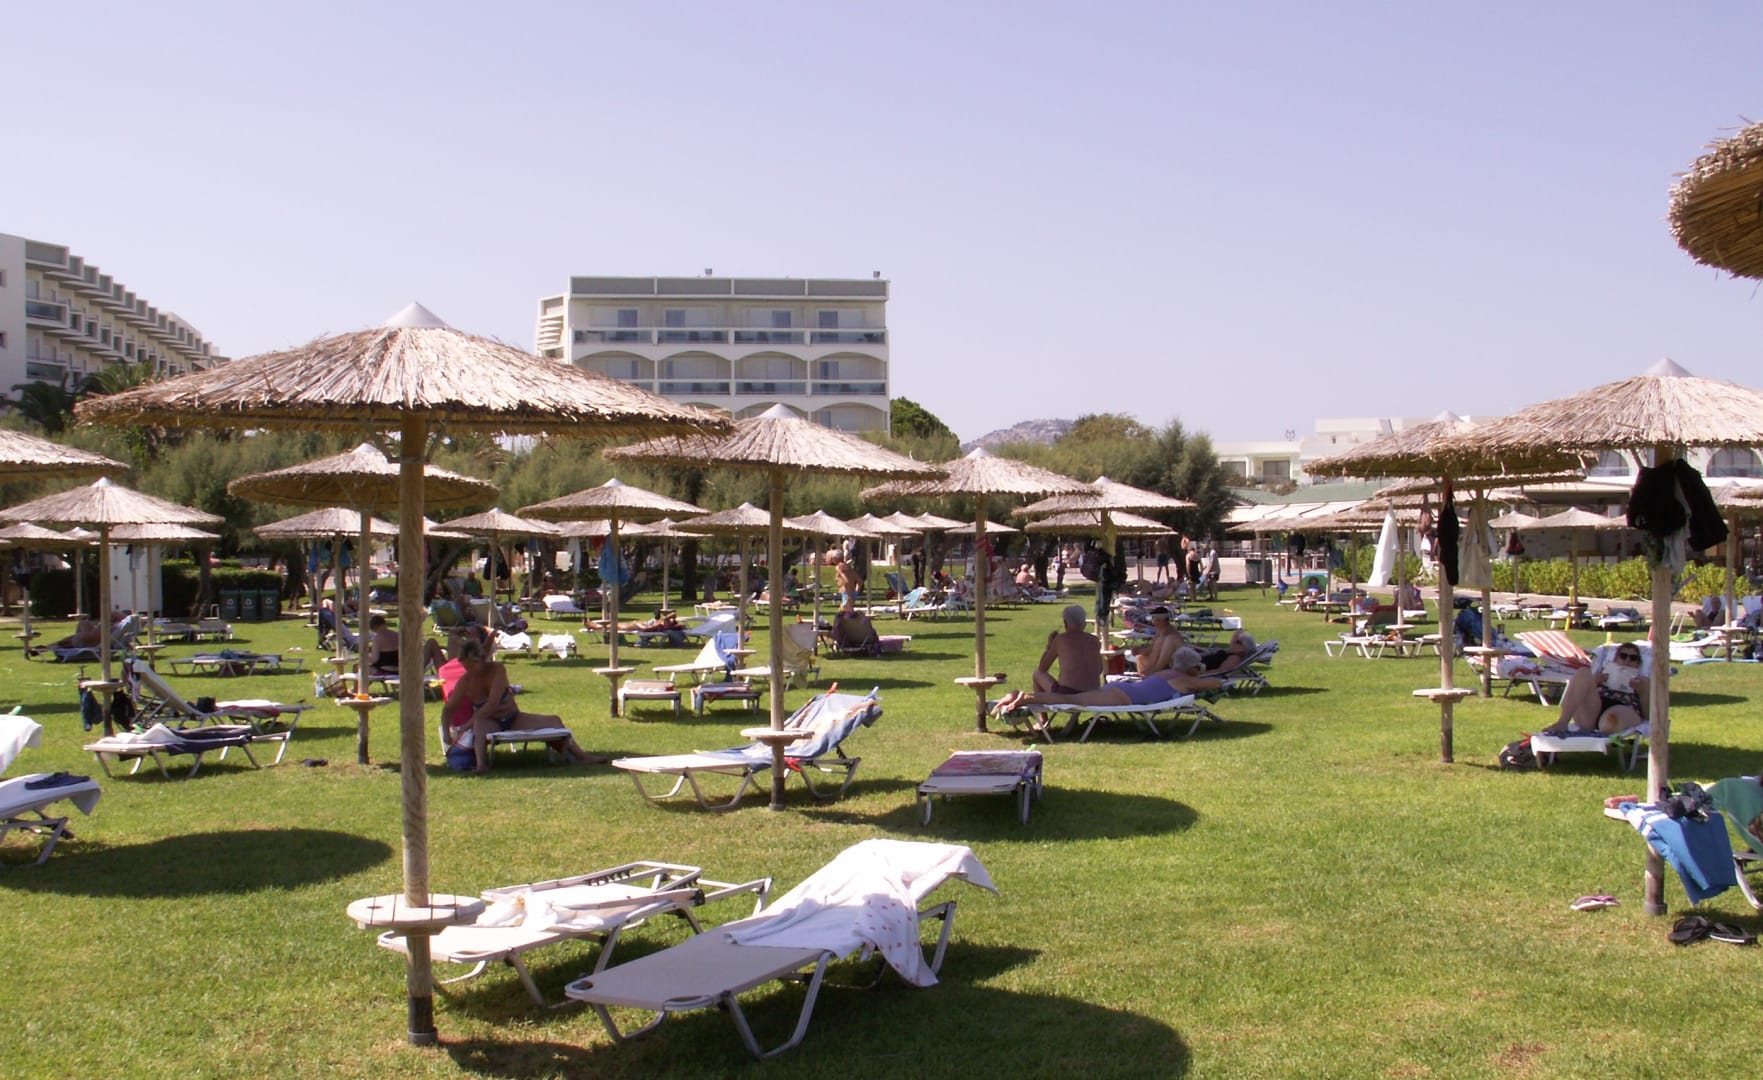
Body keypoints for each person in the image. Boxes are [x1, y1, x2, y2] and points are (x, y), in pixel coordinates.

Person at [440, 632, 597, 773]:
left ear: (482, 659)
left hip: (512, 718)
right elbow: (448, 709)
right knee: (479, 725)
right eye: (465, 666)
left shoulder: (497, 670)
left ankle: (581, 757)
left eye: (471, 665)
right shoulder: (465, 682)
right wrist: (447, 733)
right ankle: (482, 765)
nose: (469, 670)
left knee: (554, 721)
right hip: (490, 722)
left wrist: (467, 725)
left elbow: (493, 703)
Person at [995, 655, 1224, 714]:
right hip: (1124, 697)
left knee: (1072, 699)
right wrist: (1201, 673)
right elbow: (1216, 683)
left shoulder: (1166, 673)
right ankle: (1027, 698)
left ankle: (1017, 695)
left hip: (1122, 690)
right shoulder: (1184, 680)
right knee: (1070, 700)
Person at [1540, 644, 1650, 736]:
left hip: (1624, 707)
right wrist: (1595, 681)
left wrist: (1641, 692)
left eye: (1633, 658)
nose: (1627, 660)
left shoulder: (1642, 681)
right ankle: (1562, 723)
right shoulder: (1602, 673)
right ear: (1616, 659)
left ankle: (1603, 732)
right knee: (1583, 672)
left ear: (1638, 663)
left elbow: (1648, 715)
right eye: (1623, 656)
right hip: (1594, 708)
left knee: (1610, 721)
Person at [1032, 604, 1103, 695]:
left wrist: (1049, 646)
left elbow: (1042, 668)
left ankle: (1041, 704)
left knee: (1037, 674)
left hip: (1067, 693)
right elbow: (1099, 669)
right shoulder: (1094, 640)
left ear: (1065, 623)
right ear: (1084, 624)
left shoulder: (1060, 639)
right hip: (1093, 693)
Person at [367, 613, 443, 676]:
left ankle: (361, 688)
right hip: (400, 669)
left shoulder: (378, 638)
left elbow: (375, 659)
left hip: (386, 669)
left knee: (363, 668)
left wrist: (366, 658)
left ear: (374, 627)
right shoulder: (396, 635)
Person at [1133, 605, 1188, 677]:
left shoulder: (1167, 631)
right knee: (1140, 657)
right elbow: (1153, 648)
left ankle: (1150, 674)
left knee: (1156, 644)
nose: (1152, 620)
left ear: (1159, 620)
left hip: (1171, 662)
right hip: (1165, 660)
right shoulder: (1161, 630)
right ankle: (1144, 676)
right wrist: (1140, 650)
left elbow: (1155, 648)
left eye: (1153, 618)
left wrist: (1141, 650)